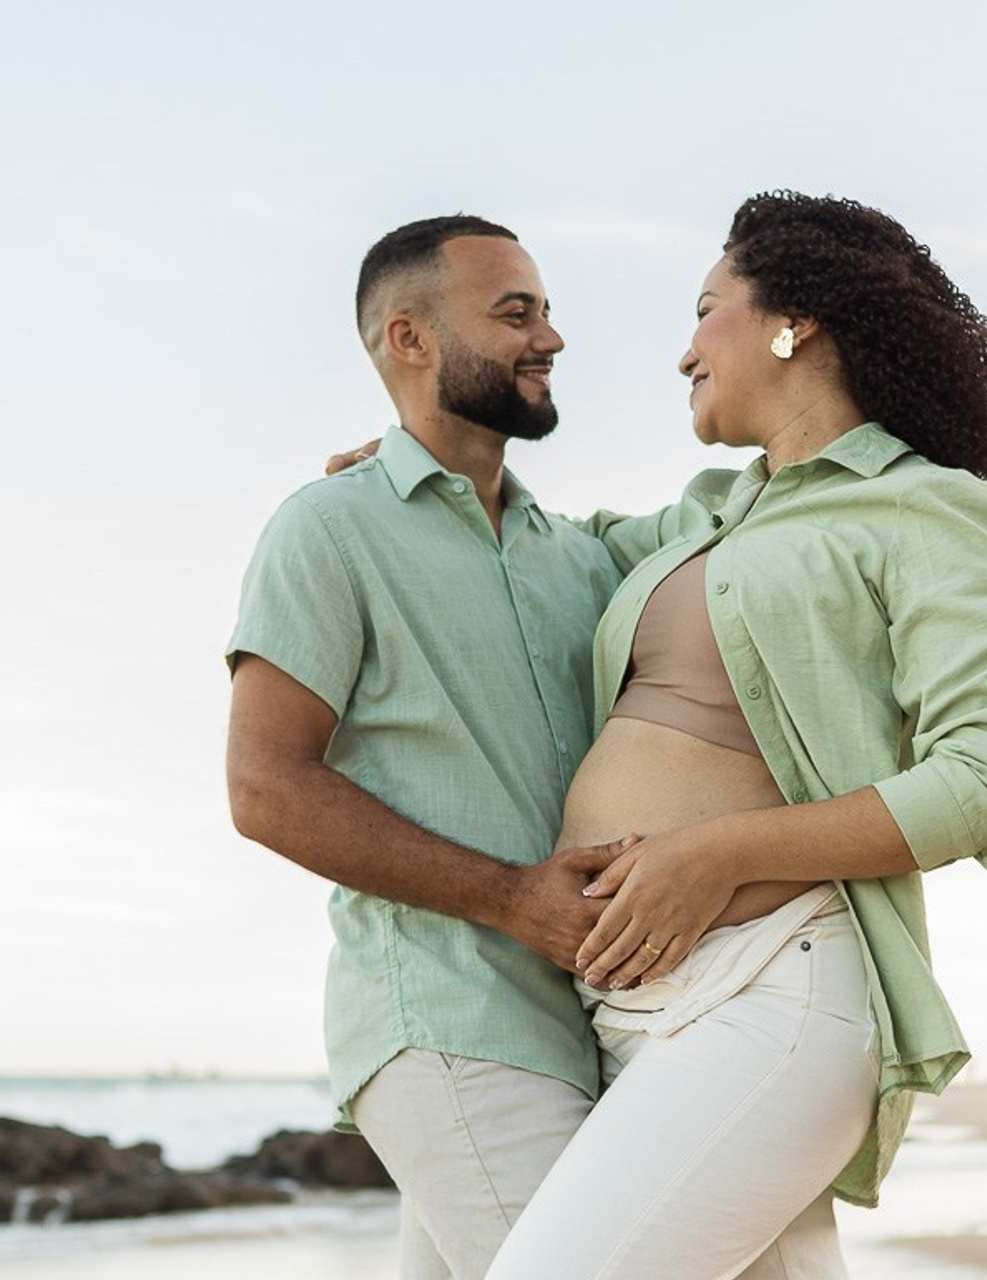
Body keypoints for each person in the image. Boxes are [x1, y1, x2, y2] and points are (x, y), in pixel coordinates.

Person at [477, 191, 987, 1280]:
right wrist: (410, 480)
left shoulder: (928, 508)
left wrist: (714, 853)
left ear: (795, 322)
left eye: (705, 309)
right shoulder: (701, 514)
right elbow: (530, 544)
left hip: (769, 987)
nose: (682, 351)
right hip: (619, 1013)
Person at [225, 215, 634, 1280]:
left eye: (543, 309)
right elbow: (265, 786)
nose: (549, 337)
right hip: (447, 1024)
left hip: (593, 1035)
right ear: (409, 339)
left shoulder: (584, 558)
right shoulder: (328, 528)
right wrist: (511, 898)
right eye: (515, 313)